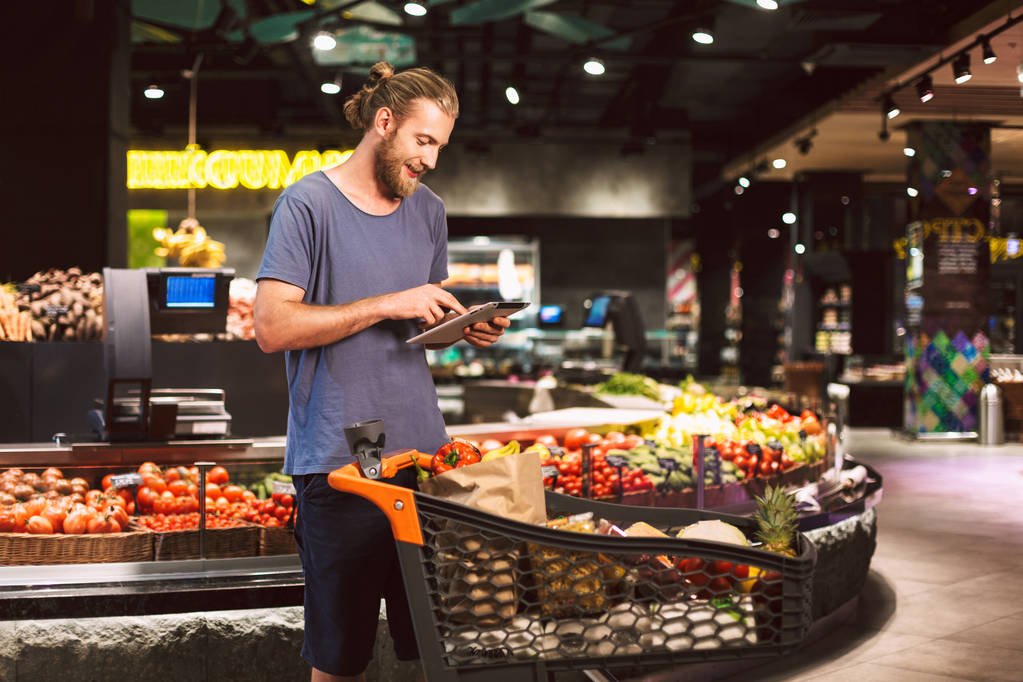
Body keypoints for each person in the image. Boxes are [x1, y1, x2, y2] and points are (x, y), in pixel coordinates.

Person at [253, 61, 510, 682]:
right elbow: (272, 328)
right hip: (344, 460)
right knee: (341, 658)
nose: (430, 161)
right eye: (423, 141)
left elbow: (416, 332)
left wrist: (460, 329)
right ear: (384, 122)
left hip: (427, 457)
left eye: (440, 147)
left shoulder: (430, 212)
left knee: (439, 648)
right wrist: (388, 303)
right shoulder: (307, 203)